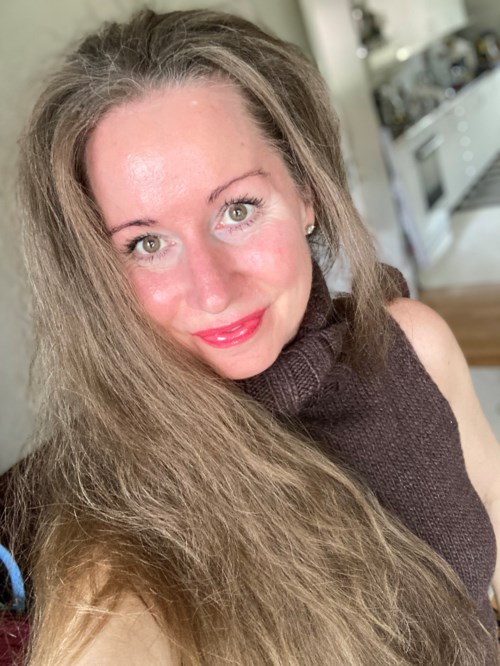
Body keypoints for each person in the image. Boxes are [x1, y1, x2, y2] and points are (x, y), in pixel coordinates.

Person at [3, 7, 500, 664]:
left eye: (237, 210)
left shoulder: (413, 345)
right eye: (146, 243)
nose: (212, 291)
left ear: (305, 193)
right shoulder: (113, 528)